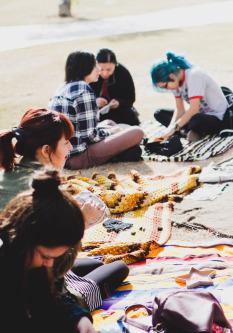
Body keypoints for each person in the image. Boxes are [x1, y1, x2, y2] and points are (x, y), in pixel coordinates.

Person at [0, 108, 129, 314]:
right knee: (119, 267)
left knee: (98, 263)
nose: (70, 147)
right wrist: (81, 224)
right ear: (46, 149)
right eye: (66, 142)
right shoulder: (45, 192)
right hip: (35, 292)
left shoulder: (7, 176)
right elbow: (56, 265)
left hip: (11, 274)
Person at [0, 169, 94, 332]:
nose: (49, 263)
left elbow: (51, 299)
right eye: (46, 256)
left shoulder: (30, 261)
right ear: (25, 239)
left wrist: (81, 320)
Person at [48, 50, 144, 170]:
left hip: (63, 152)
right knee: (137, 132)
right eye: (95, 66)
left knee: (109, 123)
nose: (99, 70)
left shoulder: (64, 87)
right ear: (86, 68)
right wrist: (113, 132)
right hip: (77, 155)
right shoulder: (83, 89)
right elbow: (91, 136)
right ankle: (123, 151)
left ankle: (123, 151)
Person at [150, 51, 233, 141]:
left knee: (196, 120)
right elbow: (180, 110)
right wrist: (169, 129)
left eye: (165, 86)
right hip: (199, 114)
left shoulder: (194, 75)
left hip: (217, 117)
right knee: (159, 113)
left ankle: (186, 131)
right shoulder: (175, 83)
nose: (167, 89)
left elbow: (194, 109)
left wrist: (173, 128)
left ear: (172, 76)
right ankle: (186, 131)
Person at [89, 48, 140, 126]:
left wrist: (119, 103)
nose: (105, 73)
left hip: (118, 111)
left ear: (115, 65)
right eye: (101, 69)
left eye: (109, 69)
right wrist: (95, 101)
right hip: (97, 113)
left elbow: (130, 99)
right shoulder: (91, 73)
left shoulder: (123, 72)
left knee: (130, 115)